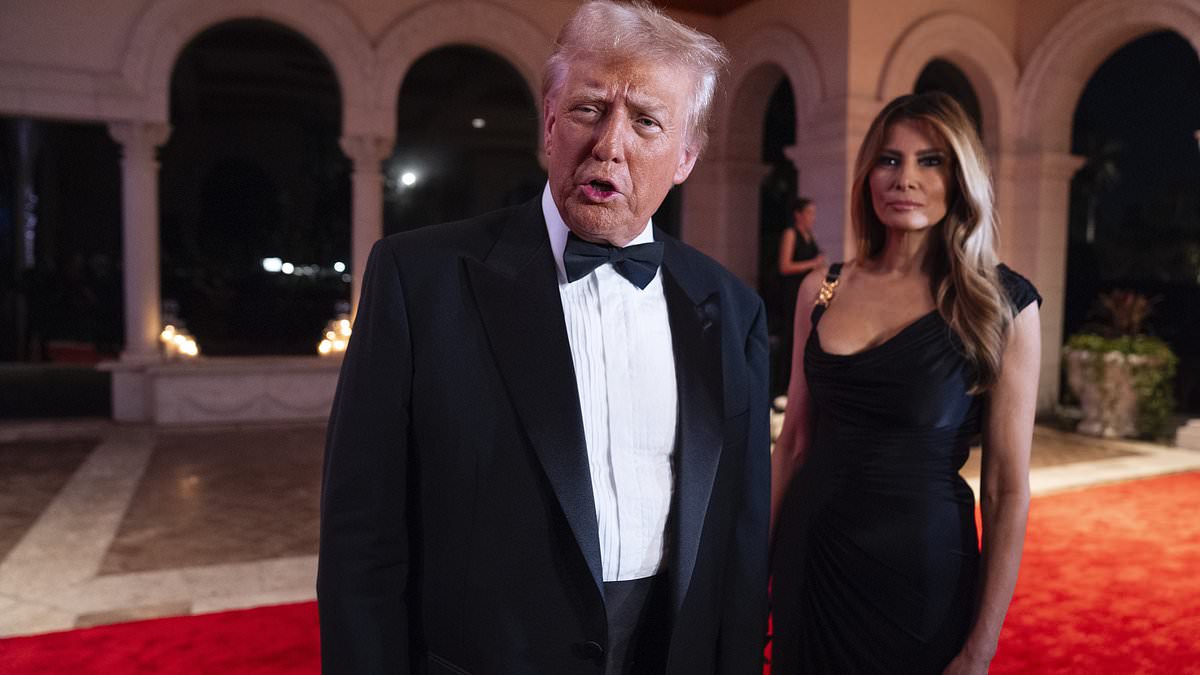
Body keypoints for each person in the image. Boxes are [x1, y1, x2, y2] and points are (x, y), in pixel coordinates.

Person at [317, 3, 770, 674]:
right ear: (551, 122)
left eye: (646, 121)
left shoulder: (731, 308)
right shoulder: (418, 280)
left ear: (686, 157)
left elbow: (740, 540)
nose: (609, 145)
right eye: (589, 109)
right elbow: (361, 539)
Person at [769, 92, 1041, 674]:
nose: (905, 179)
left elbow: (1006, 488)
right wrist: (753, 574)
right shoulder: (822, 288)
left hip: (921, 573)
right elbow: (793, 444)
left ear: (961, 177)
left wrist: (981, 648)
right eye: (889, 160)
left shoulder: (1002, 304)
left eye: (930, 161)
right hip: (810, 557)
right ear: (868, 174)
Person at [775, 197, 824, 393]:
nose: (813, 217)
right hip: (792, 292)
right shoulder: (790, 233)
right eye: (809, 212)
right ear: (798, 215)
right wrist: (812, 264)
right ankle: (783, 386)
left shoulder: (810, 235)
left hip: (808, 293)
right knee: (791, 336)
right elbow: (784, 266)